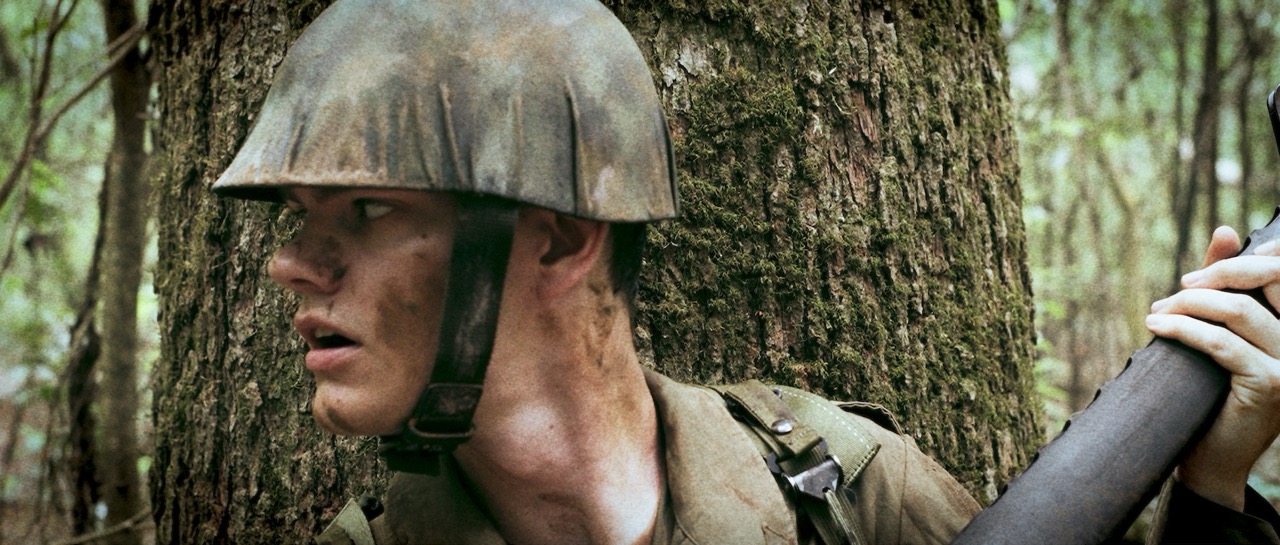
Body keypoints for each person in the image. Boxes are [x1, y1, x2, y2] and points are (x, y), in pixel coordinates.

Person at [211, 0, 1280, 543]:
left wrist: (1212, 492)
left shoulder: (842, 491)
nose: (290, 265)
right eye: (301, 218)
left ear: (556, 240)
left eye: (362, 212)